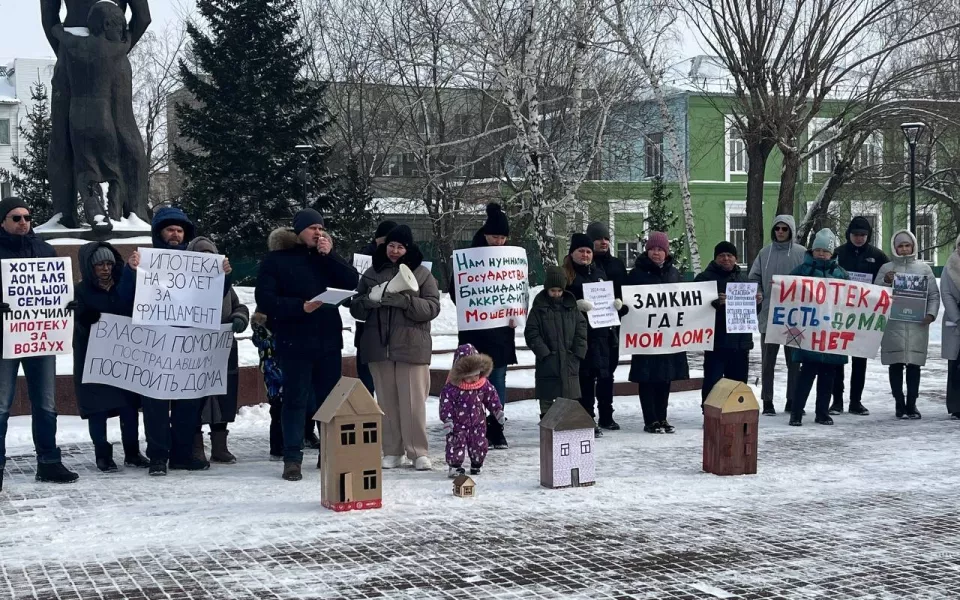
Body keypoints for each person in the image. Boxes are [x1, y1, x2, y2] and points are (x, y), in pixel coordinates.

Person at [120, 206, 232, 476]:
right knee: (154, 404)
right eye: (170, 229)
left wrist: (224, 276)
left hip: (188, 345)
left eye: (180, 230)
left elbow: (215, 298)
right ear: (159, 232)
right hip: (155, 344)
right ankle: (158, 456)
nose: (175, 234)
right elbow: (126, 299)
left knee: (188, 403)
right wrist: (130, 271)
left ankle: (182, 454)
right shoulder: (144, 261)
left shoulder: (198, 261)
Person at [256, 209, 359, 481]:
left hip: (327, 340)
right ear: (298, 231)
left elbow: (351, 282)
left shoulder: (326, 258)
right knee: (295, 399)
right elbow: (265, 298)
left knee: (329, 400)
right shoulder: (276, 260)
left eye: (321, 228)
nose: (318, 232)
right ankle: (292, 458)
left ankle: (329, 453)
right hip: (294, 339)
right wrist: (299, 307)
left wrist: (332, 255)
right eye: (312, 227)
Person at [0, 197, 79, 490]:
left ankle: (48, 462)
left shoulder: (45, 250)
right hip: (4, 341)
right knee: (1, 406)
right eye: (16, 218)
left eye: (27, 217)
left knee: (46, 405)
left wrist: (67, 304)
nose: (23, 222)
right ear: (3, 222)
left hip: (41, 339)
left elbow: (57, 289)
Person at [352, 225, 440, 470]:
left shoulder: (422, 274)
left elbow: (432, 308)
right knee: (386, 402)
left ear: (408, 248)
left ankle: (418, 452)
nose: (394, 250)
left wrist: (406, 302)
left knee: (413, 403)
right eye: (391, 245)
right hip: (379, 347)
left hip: (411, 348)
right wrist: (369, 301)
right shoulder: (371, 273)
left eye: (400, 247)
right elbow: (356, 307)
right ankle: (391, 451)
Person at [73, 241, 148, 472]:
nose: (105, 268)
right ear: (89, 267)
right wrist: (84, 318)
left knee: (128, 405)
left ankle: (132, 452)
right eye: (99, 265)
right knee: (98, 409)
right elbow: (70, 316)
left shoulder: (123, 286)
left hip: (123, 357)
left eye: (109, 263)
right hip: (92, 359)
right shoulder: (79, 291)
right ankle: (102, 454)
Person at [450, 203, 516, 449]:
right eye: (494, 236)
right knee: (471, 378)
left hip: (500, 330)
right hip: (475, 329)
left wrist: (515, 314)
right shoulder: (469, 259)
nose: (498, 241)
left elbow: (518, 292)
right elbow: (457, 292)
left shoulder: (511, 260)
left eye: (502, 237)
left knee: (498, 377)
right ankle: (473, 424)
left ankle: (496, 427)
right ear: (485, 234)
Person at [186, 237, 249, 465]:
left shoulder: (225, 284)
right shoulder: (182, 284)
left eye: (210, 255)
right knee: (196, 398)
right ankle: (195, 447)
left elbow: (238, 305)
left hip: (222, 348)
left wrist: (239, 318)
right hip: (192, 350)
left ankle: (220, 446)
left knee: (222, 397)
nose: (206, 260)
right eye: (201, 256)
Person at [625, 232, 688, 434]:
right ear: (647, 250)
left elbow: (684, 301)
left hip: (668, 336)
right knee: (647, 377)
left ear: (666, 252)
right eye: (653, 249)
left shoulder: (674, 273)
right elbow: (626, 300)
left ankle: (662, 417)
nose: (657, 253)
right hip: (645, 336)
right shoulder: (636, 274)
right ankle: (650, 419)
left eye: (660, 249)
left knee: (665, 378)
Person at [875, 230, 940, 420]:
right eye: (900, 246)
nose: (904, 249)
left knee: (914, 365)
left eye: (907, 245)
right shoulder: (886, 268)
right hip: (893, 324)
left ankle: (912, 404)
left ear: (913, 246)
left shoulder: (923, 269)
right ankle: (899, 403)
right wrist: (886, 282)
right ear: (895, 248)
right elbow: (875, 294)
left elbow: (933, 295)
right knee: (895, 364)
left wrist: (931, 314)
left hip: (917, 325)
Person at [563, 233, 623, 436]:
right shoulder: (565, 275)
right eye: (581, 251)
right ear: (572, 253)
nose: (585, 255)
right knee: (584, 379)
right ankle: (586, 418)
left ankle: (603, 415)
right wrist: (574, 305)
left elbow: (606, 298)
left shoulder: (598, 273)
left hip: (600, 334)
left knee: (601, 375)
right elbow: (555, 301)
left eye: (588, 251)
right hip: (576, 335)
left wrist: (615, 305)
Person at [787, 230, 849, 427]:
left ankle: (822, 412)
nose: (822, 254)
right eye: (818, 250)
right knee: (806, 375)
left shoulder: (841, 274)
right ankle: (796, 412)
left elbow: (851, 301)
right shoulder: (801, 272)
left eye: (826, 251)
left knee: (828, 376)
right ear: (812, 250)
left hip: (831, 334)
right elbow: (787, 293)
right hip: (809, 334)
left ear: (832, 253)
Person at [830, 216, 889, 416]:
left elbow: (887, 281)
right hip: (840, 314)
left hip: (865, 316)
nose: (859, 238)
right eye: (855, 234)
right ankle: (836, 400)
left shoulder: (878, 256)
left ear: (868, 236)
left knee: (860, 359)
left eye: (863, 235)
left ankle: (856, 401)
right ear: (849, 235)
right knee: (837, 358)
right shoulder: (837, 254)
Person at [749, 214, 807, 416]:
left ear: (790, 230)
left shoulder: (801, 253)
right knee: (768, 362)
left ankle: (792, 399)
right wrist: (759, 292)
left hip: (794, 316)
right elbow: (754, 277)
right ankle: (767, 400)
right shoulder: (765, 254)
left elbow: (811, 280)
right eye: (777, 228)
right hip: (769, 315)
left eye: (784, 229)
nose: (780, 232)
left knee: (794, 361)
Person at [694, 241, 759, 403]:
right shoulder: (704, 279)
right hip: (717, 342)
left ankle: (734, 414)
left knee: (737, 385)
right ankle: (709, 414)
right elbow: (694, 308)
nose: (726, 259)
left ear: (735, 258)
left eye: (730, 255)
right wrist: (715, 303)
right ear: (715, 258)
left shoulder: (744, 279)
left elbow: (751, 314)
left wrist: (757, 303)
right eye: (721, 255)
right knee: (713, 382)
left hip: (741, 343)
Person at [525, 266, 588, 419]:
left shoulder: (571, 307)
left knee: (569, 394)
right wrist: (544, 353)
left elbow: (581, 330)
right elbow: (532, 332)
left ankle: (566, 424)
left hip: (569, 359)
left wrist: (578, 353)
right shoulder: (539, 309)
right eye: (553, 291)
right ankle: (547, 422)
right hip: (547, 360)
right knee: (547, 394)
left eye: (559, 291)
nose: (556, 294)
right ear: (547, 289)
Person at [439, 344, 504, 478]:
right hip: (457, 424)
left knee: (479, 444)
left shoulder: (483, 384)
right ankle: (455, 466)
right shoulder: (452, 388)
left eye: (477, 374)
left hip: (478, 423)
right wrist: (447, 419)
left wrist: (497, 410)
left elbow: (491, 397)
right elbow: (446, 404)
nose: (474, 378)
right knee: (455, 444)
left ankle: (476, 463)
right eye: (469, 376)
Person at [353, 220, 397, 396]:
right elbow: (353, 296)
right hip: (368, 327)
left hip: (394, 329)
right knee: (367, 381)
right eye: (385, 241)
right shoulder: (363, 259)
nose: (389, 247)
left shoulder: (403, 260)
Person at [251, 312, 285, 459]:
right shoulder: (266, 338)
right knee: (278, 412)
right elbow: (268, 363)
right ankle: (278, 447)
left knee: (282, 412)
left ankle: (283, 445)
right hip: (276, 380)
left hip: (284, 376)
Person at [941, 235, 960, 420]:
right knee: (955, 364)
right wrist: (957, 317)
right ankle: (956, 405)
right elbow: (946, 293)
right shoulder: (950, 266)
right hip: (956, 321)